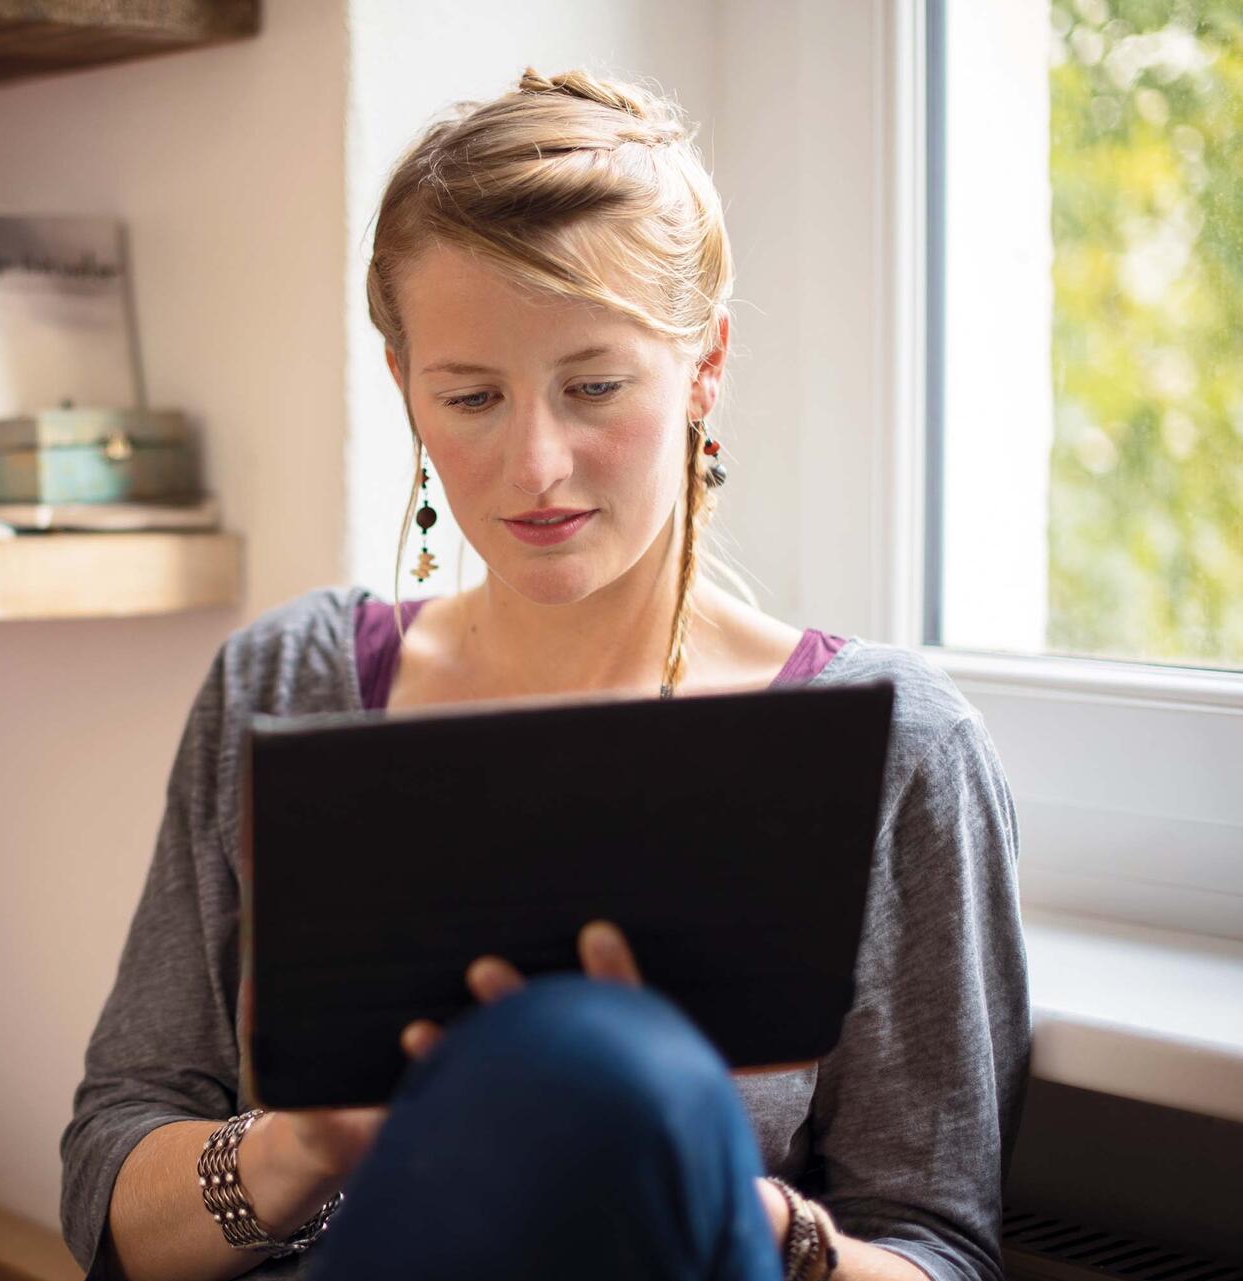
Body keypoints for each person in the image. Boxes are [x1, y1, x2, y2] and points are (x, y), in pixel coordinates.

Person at [59, 67, 1030, 1281]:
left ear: (706, 365)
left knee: (599, 1070)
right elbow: (109, 1186)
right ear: (407, 392)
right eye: (469, 397)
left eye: (596, 388)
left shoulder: (897, 748)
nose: (536, 466)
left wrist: (720, 1195)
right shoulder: (290, 682)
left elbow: (942, 1250)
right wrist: (311, 1146)